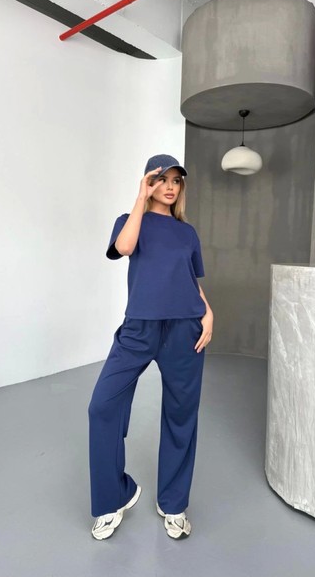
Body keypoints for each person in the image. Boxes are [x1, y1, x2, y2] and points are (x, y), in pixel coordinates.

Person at [88, 153, 214, 541]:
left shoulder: (187, 233)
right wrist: (140, 199)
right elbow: (124, 248)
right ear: (149, 182)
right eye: (163, 179)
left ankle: (173, 503)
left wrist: (208, 312)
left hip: (186, 328)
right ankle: (114, 496)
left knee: (181, 414)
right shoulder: (130, 221)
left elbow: (190, 279)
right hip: (140, 328)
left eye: (176, 181)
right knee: (103, 406)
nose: (170, 187)